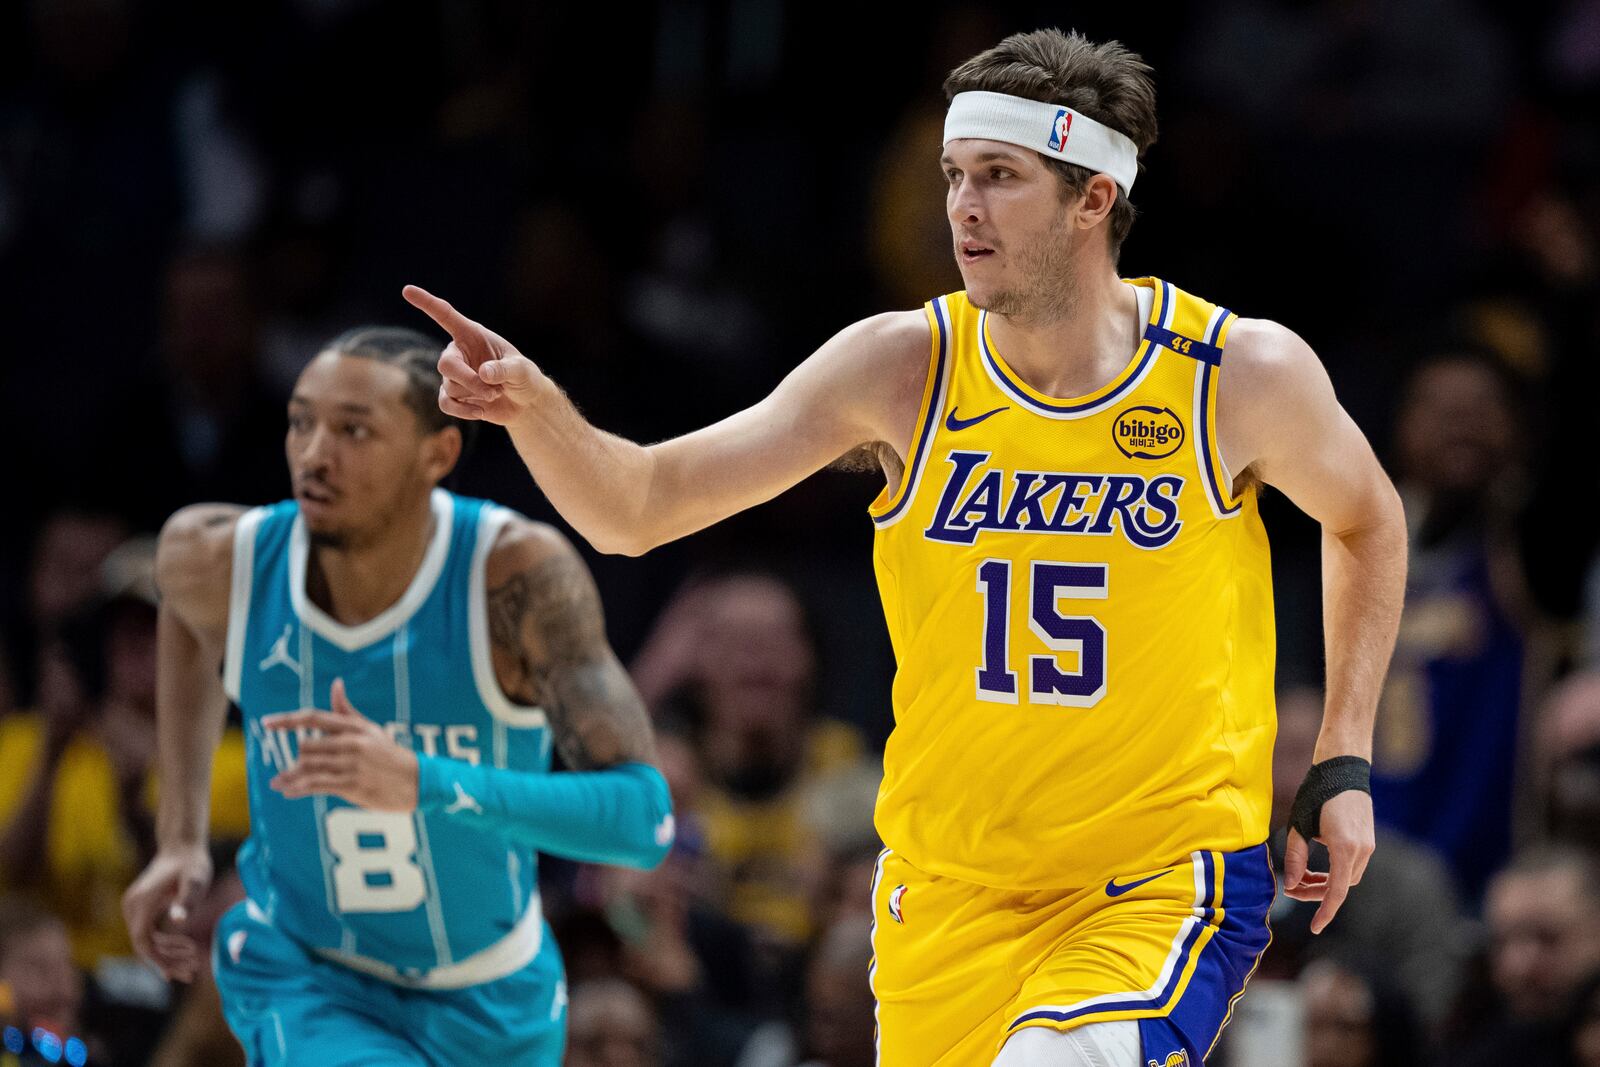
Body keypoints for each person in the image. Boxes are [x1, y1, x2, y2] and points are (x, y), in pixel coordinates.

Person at [406, 28, 1407, 1067]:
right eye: (954, 175)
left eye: (1000, 177)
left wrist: (1341, 754)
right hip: (946, 893)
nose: (962, 206)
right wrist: (532, 408)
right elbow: (638, 505)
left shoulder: (1231, 373)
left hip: (1156, 881)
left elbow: (1369, 516)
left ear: (1093, 198)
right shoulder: (900, 367)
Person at [119, 327, 675, 1065]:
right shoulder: (220, 558)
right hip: (309, 975)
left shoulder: (512, 576)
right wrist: (180, 837)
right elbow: (182, 614)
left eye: (353, 430)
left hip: (495, 991)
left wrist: (424, 782)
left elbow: (643, 821)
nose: (315, 454)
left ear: (436, 454)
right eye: (301, 421)